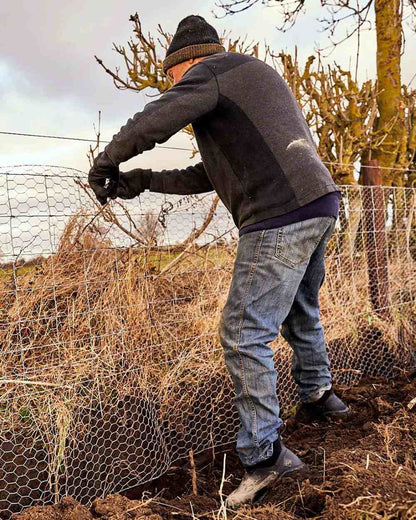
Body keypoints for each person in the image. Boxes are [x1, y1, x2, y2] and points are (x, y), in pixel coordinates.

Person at [88, 14, 349, 509]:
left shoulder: (210, 72)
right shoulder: (249, 81)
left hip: (278, 213)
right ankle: (319, 397)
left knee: (243, 331)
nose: (172, 88)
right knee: (300, 310)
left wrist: (105, 162)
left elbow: (153, 121)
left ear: (184, 64)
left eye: (171, 78)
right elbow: (207, 174)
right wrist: (139, 179)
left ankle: (265, 454)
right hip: (319, 203)